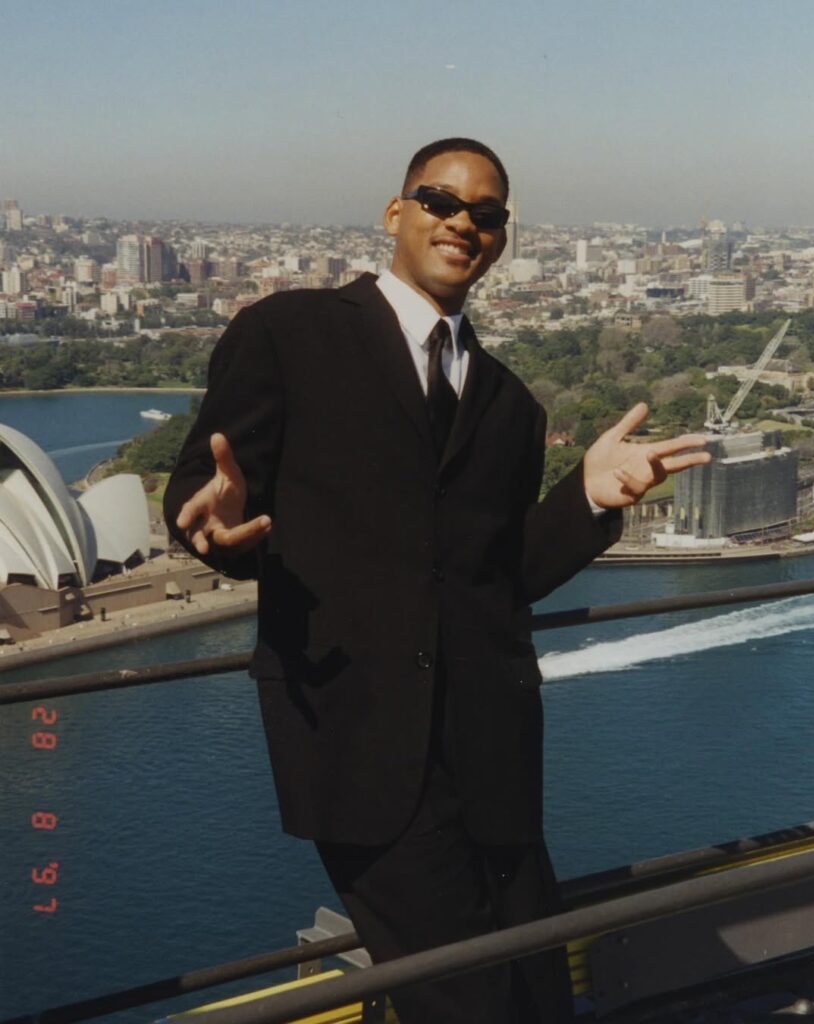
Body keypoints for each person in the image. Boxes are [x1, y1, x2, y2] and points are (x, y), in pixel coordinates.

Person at [164, 138, 709, 1023]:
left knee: (535, 990)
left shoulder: (509, 404)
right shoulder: (289, 333)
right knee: (464, 1001)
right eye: (440, 200)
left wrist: (587, 499)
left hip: (491, 750)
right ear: (395, 212)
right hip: (357, 739)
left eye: (485, 214)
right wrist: (213, 526)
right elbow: (212, 489)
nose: (462, 223)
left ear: (500, 239)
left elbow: (503, 578)